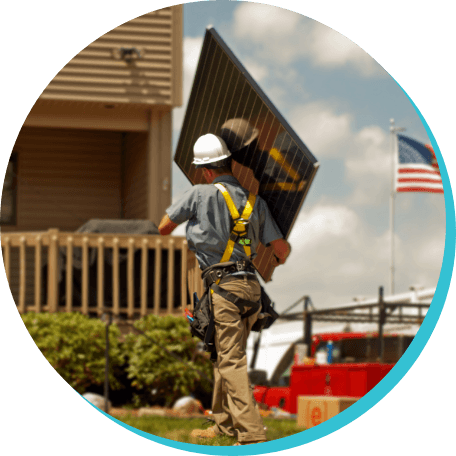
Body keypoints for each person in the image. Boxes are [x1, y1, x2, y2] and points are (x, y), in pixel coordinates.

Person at [158, 133, 291, 446]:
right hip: (250, 289)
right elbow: (281, 250)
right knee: (223, 355)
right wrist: (272, 258)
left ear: (206, 171)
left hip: (223, 288)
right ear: (229, 164)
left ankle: (252, 433)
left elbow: (163, 227)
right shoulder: (255, 203)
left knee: (230, 361)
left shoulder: (199, 194)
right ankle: (223, 425)